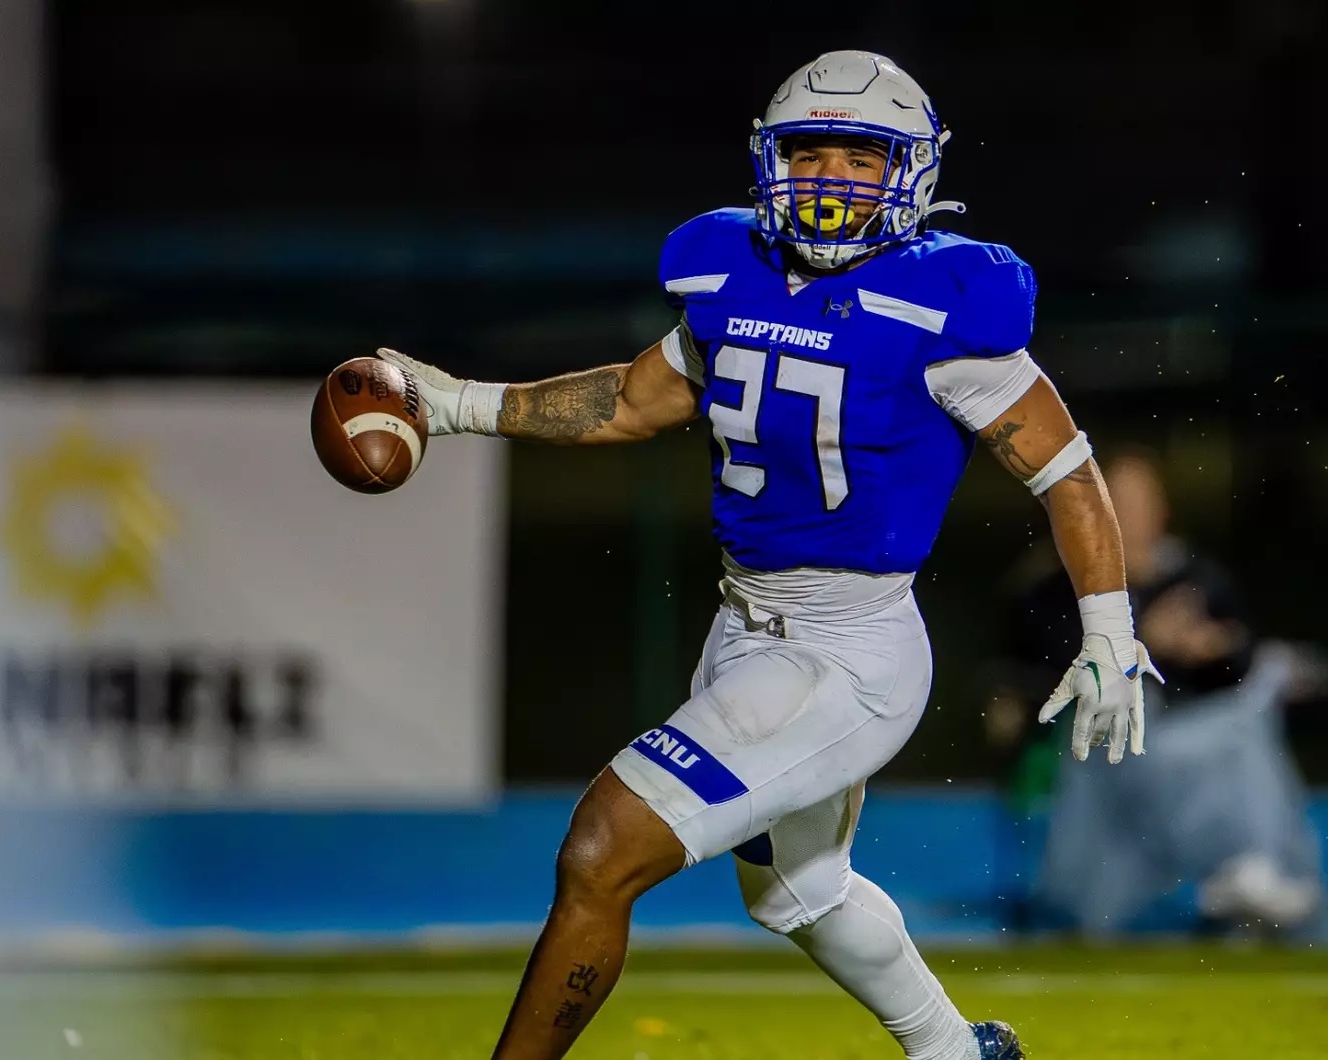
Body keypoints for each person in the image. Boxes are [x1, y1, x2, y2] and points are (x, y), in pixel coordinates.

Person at [370, 51, 1160, 1060]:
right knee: (796, 891)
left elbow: (1070, 475)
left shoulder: (944, 307)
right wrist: (458, 404)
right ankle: (955, 1052)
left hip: (848, 651)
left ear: (912, 172)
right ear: (768, 160)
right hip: (744, 627)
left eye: (862, 157)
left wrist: (1108, 629)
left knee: (602, 850)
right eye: (810, 152)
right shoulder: (729, 270)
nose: (832, 177)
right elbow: (631, 401)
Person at [990, 450, 1325, 936]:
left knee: (1247, 721)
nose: (1130, 517)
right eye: (1117, 503)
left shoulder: (1197, 578)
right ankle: (1249, 866)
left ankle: (1253, 869)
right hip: (1103, 750)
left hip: (1199, 750)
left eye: (1141, 504)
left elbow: (1241, 660)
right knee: (1237, 734)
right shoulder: (1055, 584)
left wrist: (1211, 650)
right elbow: (1040, 677)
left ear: (1162, 510)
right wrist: (1146, 639)